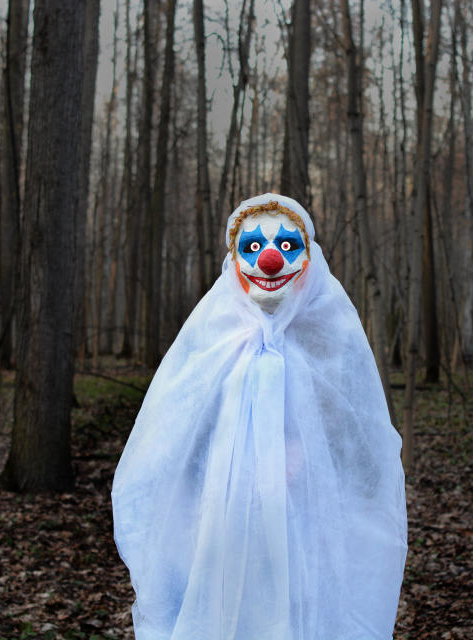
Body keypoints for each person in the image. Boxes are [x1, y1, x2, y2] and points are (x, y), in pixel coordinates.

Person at [111, 193, 407, 639]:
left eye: (287, 246)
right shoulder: (211, 335)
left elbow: (356, 434)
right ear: (233, 260)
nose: (269, 259)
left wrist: (303, 452)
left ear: (310, 257)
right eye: (252, 248)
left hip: (303, 526)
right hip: (221, 526)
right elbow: (177, 429)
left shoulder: (330, 334)